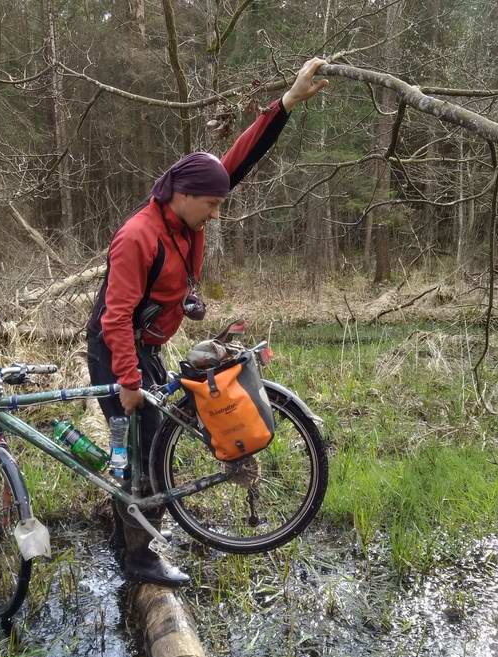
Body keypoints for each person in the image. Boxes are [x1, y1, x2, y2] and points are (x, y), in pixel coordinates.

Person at [87, 58, 330, 587]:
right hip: (116, 345)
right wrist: (128, 381)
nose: (218, 213)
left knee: (152, 437)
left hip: (144, 344)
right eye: (213, 205)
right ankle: (142, 561)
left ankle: (127, 528)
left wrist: (286, 103)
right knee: (146, 444)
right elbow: (115, 315)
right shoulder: (138, 237)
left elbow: (238, 159)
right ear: (185, 195)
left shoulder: (189, 206)